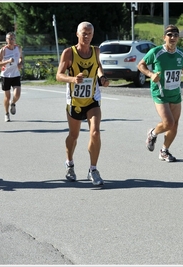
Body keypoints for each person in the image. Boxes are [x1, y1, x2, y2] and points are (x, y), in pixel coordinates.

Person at [56, 21, 109, 186]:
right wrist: (73, 79)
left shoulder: (96, 51)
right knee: (74, 136)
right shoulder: (69, 53)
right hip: (75, 101)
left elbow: (98, 66)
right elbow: (59, 75)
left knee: (95, 133)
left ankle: (93, 169)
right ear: (77, 34)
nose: (87, 37)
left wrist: (102, 77)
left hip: (92, 99)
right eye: (84, 33)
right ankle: (69, 163)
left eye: (90, 34)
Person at [137, 25, 183, 162]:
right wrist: (150, 74)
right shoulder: (156, 52)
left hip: (175, 93)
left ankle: (164, 150)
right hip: (160, 92)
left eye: (176, 35)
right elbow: (140, 65)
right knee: (168, 122)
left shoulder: (181, 53)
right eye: (170, 35)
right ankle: (152, 133)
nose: (173, 37)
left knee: (175, 124)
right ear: (164, 37)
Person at [0, 32, 23, 122]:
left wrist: (20, 63)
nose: (11, 40)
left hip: (15, 74)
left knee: (17, 94)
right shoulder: (3, 50)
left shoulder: (18, 48)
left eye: (12, 38)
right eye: (9, 39)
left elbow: (21, 58)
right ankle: (7, 114)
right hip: (6, 76)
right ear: (6, 40)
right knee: (7, 97)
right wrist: (7, 61)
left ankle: (13, 103)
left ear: (15, 39)